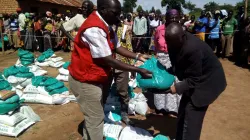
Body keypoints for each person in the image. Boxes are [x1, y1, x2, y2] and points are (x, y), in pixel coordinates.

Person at [68, 0, 152, 139]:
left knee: (94, 117)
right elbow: (109, 59)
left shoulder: (107, 25)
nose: (118, 17)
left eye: (119, 13)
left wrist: (138, 56)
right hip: (85, 80)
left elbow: (117, 47)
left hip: (94, 77)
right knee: (96, 119)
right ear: (102, 9)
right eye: (115, 13)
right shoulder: (94, 28)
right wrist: (138, 70)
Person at [165, 23, 227, 140]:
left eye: (173, 43)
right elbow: (177, 64)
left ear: (182, 37)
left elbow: (194, 80)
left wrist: (173, 89)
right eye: (168, 42)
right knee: (183, 114)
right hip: (195, 78)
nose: (170, 46)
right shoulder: (174, 42)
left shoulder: (192, 48)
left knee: (192, 118)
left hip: (208, 83)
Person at [153, 9, 181, 117]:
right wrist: (156, 56)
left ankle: (173, 109)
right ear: (166, 18)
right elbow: (155, 43)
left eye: (175, 17)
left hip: (176, 57)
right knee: (160, 82)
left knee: (175, 82)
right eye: (171, 17)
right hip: (161, 57)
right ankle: (160, 107)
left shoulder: (181, 29)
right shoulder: (159, 29)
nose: (173, 19)